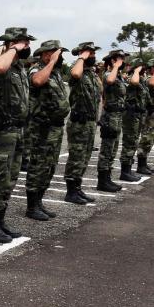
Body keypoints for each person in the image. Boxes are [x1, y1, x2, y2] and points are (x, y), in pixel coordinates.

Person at [0, 28, 34, 240]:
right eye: (22, 42)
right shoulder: (1, 63)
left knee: (11, 178)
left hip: (18, 130)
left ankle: (0, 221)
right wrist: (12, 48)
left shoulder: (20, 68)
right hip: (2, 130)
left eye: (27, 42)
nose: (26, 46)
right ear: (11, 43)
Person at [24, 40, 71, 220]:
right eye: (57, 53)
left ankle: (39, 202)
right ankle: (31, 206)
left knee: (50, 166)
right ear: (45, 54)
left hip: (55, 127)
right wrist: (51, 62)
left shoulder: (56, 73)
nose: (60, 57)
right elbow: (37, 81)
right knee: (38, 165)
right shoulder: (37, 69)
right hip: (41, 127)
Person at [63, 42, 101, 204]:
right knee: (76, 157)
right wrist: (81, 57)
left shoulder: (91, 73)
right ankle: (70, 192)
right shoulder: (76, 69)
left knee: (84, 157)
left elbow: (100, 90)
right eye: (90, 53)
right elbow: (76, 75)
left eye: (93, 53)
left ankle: (77, 189)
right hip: (78, 122)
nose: (93, 56)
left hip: (90, 122)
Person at [96, 50, 127, 193]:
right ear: (113, 61)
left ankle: (107, 178)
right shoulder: (109, 74)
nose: (123, 61)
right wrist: (115, 66)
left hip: (118, 116)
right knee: (107, 149)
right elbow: (109, 81)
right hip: (110, 117)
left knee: (113, 149)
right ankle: (102, 181)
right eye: (120, 59)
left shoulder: (119, 76)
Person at [119, 58, 145, 182]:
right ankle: (125, 171)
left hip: (137, 115)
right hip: (130, 115)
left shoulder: (140, 78)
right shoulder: (130, 78)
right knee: (129, 142)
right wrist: (136, 71)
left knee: (133, 142)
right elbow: (134, 82)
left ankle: (128, 170)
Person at [136, 58, 154, 176]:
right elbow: (151, 83)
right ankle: (140, 165)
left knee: (150, 138)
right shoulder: (148, 78)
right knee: (146, 138)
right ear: (152, 68)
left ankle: (144, 163)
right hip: (149, 114)